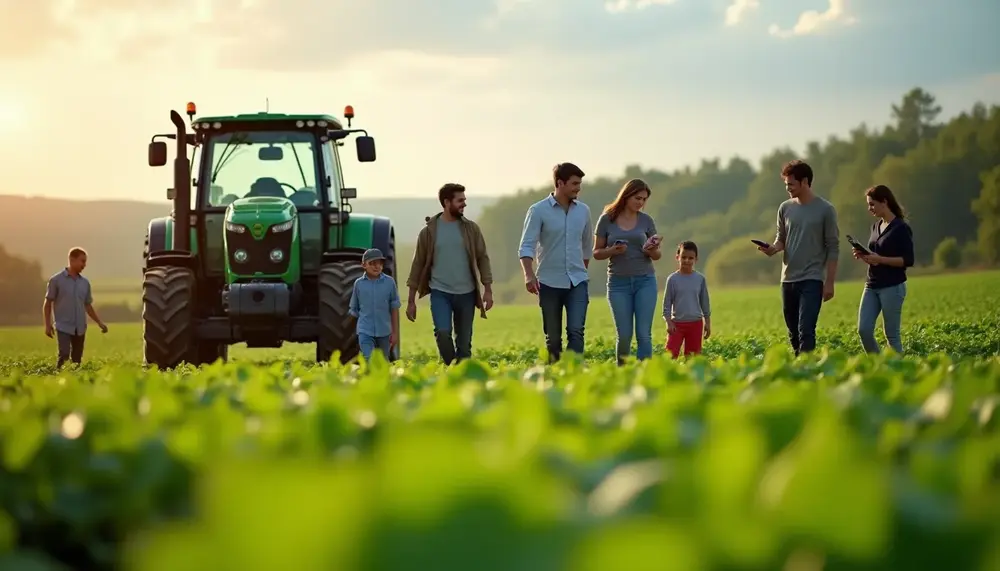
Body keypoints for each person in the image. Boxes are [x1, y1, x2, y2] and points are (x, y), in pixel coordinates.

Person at [405, 183, 495, 365]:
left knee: (464, 345)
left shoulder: (471, 229)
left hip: (467, 294)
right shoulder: (428, 232)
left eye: (465, 200)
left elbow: (482, 258)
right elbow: (417, 265)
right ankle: (450, 365)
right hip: (440, 292)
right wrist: (411, 300)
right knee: (442, 332)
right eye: (460, 200)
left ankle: (460, 379)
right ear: (447, 202)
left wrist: (488, 289)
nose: (464, 204)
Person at [758, 159, 839, 356]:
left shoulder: (825, 209)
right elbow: (781, 239)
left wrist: (829, 282)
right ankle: (799, 367)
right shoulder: (785, 208)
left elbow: (833, 247)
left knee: (806, 331)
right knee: (793, 333)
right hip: (788, 279)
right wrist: (772, 249)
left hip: (812, 279)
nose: (788, 189)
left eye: (791, 184)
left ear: (804, 182)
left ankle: (807, 370)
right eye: (786, 185)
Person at [518, 162, 593, 363]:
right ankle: (555, 374)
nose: (578, 188)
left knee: (577, 332)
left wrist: (581, 272)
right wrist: (528, 274)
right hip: (549, 282)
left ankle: (574, 373)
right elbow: (526, 246)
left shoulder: (583, 211)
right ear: (560, 183)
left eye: (580, 183)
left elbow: (587, 247)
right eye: (574, 184)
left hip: (577, 282)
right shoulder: (538, 211)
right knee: (553, 338)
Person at [592, 178, 662, 364]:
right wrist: (612, 251)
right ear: (627, 196)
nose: (641, 203)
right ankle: (622, 372)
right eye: (637, 198)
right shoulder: (607, 219)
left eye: (644, 199)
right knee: (624, 335)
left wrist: (652, 249)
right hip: (618, 283)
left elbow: (657, 256)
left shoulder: (647, 221)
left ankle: (645, 373)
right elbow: (597, 253)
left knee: (643, 334)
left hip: (645, 280)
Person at [854, 184, 915, 354]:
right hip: (872, 285)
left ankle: (897, 372)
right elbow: (875, 255)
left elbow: (908, 260)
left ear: (884, 202)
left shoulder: (901, 228)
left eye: (872, 204)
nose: (869, 208)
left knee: (891, 335)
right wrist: (865, 256)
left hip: (892, 286)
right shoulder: (875, 227)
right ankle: (878, 364)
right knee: (864, 330)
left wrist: (879, 259)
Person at [43, 247, 108, 368]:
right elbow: (47, 304)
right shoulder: (56, 280)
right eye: (82, 261)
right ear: (72, 260)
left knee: (77, 360)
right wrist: (47, 325)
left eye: (85, 261)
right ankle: (59, 380)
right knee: (64, 355)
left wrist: (99, 322)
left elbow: (88, 306)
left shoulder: (85, 283)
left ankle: (75, 382)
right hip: (63, 326)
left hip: (80, 327)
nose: (84, 265)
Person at [348, 248, 401, 362]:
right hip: (365, 331)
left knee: (383, 361)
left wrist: (395, 333)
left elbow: (394, 308)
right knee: (369, 359)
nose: (377, 266)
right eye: (372, 263)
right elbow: (354, 310)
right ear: (364, 265)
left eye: (379, 263)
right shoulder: (358, 284)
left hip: (384, 331)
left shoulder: (389, 283)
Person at [662, 241, 711, 358]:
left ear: (696, 259)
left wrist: (708, 323)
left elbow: (705, 303)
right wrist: (668, 322)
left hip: (695, 323)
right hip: (676, 324)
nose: (687, 261)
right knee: (670, 354)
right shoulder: (672, 279)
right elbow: (667, 304)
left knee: (693, 357)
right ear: (677, 257)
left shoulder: (700, 279)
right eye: (684, 257)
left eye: (690, 258)